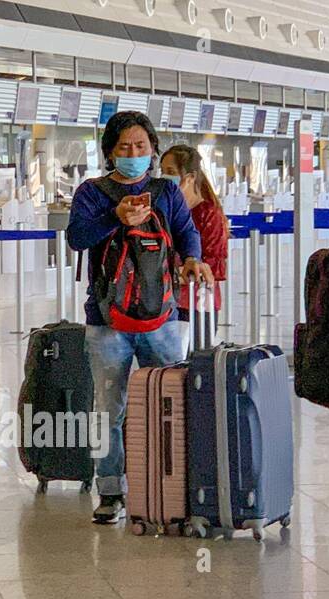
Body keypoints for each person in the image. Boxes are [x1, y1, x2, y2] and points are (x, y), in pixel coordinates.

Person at [68, 111, 211, 524]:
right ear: (110, 152)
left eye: (141, 146)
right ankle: (110, 490)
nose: (133, 154)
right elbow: (77, 237)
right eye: (123, 148)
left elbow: (187, 233)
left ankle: (167, 486)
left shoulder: (166, 192)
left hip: (164, 317)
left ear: (153, 149)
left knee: (168, 403)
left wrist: (193, 259)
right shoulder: (93, 193)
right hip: (107, 320)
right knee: (107, 409)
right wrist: (115, 217)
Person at [160, 144, 229, 333]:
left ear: (189, 178)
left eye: (171, 172)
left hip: (196, 303)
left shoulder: (208, 214)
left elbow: (214, 267)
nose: (165, 177)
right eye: (162, 171)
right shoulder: (165, 210)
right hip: (164, 302)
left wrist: (174, 275)